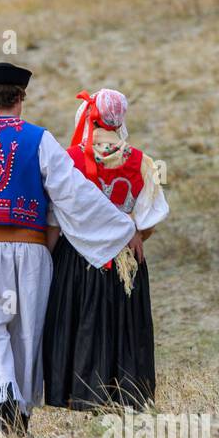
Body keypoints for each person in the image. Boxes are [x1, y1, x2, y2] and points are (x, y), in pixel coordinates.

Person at [0, 64, 137, 435]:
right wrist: (121, 229)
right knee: (25, 340)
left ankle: (8, 427)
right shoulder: (39, 140)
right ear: (20, 97)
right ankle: (16, 426)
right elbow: (73, 195)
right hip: (31, 254)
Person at [43, 88, 168, 411]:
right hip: (126, 261)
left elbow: (54, 219)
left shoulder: (67, 161)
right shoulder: (142, 162)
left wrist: (48, 261)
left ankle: (82, 396)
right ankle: (127, 397)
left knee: (82, 323)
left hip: (76, 259)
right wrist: (127, 232)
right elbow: (149, 221)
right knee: (125, 327)